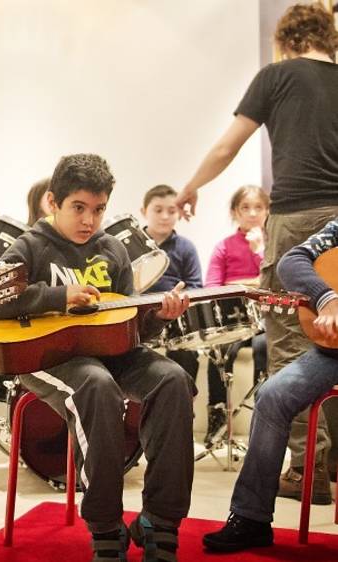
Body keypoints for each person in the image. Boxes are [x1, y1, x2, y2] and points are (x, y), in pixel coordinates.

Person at [0, 153, 195, 562]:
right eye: (78, 208)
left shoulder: (112, 249)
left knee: (173, 379)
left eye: (98, 209)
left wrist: (159, 318)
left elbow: (128, 327)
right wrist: (58, 297)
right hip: (47, 359)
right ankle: (106, 527)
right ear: (52, 202)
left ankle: (158, 522)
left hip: (110, 353)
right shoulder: (29, 247)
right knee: (96, 384)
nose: (89, 220)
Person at [176, 2, 338, 502]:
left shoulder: (276, 76)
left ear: (286, 40)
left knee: (292, 340)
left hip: (297, 221)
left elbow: (229, 146)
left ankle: (306, 472)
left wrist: (191, 187)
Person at [202, 217, 338, 552]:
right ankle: (251, 519)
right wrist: (326, 298)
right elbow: (292, 260)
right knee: (273, 394)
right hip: (332, 353)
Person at [203, 185, 269, 444]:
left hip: (264, 319)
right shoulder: (224, 247)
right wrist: (251, 283)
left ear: (267, 211)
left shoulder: (272, 243)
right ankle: (217, 419)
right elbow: (212, 286)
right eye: (245, 207)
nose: (252, 213)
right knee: (219, 350)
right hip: (234, 319)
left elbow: (275, 282)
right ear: (235, 212)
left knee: (264, 346)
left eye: (258, 207)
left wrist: (259, 251)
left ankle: (262, 421)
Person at [139, 184, 203, 419]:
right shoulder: (130, 247)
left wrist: (179, 300)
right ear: (143, 210)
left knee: (187, 355)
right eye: (158, 210)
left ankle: (183, 414)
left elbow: (196, 287)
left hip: (177, 319)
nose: (165, 216)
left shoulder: (186, 247)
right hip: (141, 319)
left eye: (171, 210)